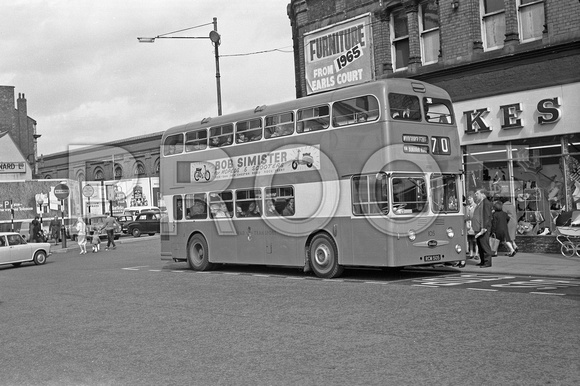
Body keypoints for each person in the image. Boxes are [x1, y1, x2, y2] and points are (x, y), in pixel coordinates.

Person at [472, 188, 493, 268]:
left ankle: (487, 262)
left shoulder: (486, 203)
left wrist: (483, 227)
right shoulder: (480, 203)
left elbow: (486, 216)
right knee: (480, 245)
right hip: (478, 228)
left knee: (484, 245)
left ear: (483, 194)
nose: (475, 195)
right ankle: (483, 261)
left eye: (477, 193)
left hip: (483, 228)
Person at [465, 192, 478, 260]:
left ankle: (476, 254)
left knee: (475, 240)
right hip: (468, 225)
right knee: (470, 240)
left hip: (474, 224)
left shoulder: (476, 206)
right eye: (468, 198)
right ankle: (471, 253)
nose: (469, 199)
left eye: (470, 198)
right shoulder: (466, 207)